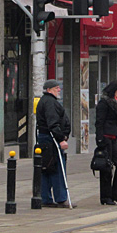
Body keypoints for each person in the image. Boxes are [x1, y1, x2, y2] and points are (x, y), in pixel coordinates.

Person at [36, 79, 72, 208]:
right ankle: (61, 198)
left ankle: (45, 198)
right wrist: (61, 139)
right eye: (57, 88)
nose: (59, 90)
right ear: (49, 90)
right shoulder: (50, 102)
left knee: (46, 168)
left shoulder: (45, 101)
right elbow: (53, 123)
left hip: (46, 139)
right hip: (51, 140)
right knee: (56, 168)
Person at [95, 80, 117, 205]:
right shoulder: (104, 103)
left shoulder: (116, 103)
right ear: (113, 91)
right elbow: (99, 122)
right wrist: (99, 139)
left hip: (114, 137)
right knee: (106, 168)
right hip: (105, 137)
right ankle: (106, 197)